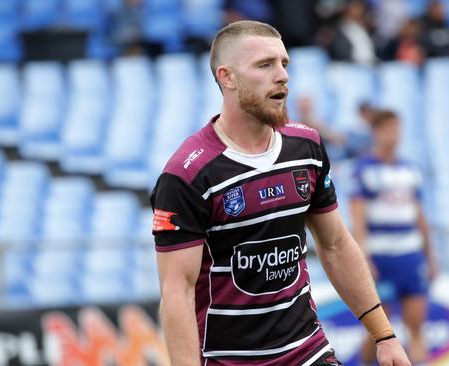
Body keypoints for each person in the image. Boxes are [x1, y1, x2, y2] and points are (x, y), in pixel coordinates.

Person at [150, 20, 411, 366]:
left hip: (308, 352)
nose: (283, 75)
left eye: (284, 63)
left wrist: (385, 336)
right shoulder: (188, 174)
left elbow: (335, 245)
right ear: (227, 77)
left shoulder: (306, 146)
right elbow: (176, 293)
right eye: (265, 65)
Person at [349, 110, 438, 365]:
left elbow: (420, 216)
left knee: (417, 324)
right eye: (388, 129)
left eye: (397, 129)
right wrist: (364, 260)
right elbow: (358, 220)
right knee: (380, 331)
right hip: (381, 257)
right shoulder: (363, 170)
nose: (394, 135)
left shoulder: (410, 169)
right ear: (376, 132)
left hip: (410, 256)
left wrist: (431, 256)